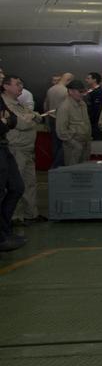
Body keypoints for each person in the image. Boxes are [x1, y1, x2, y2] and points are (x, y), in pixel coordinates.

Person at [1, 75, 42, 223]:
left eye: (21, 84)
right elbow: (22, 123)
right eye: (17, 84)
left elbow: (35, 117)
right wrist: (31, 119)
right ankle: (15, 217)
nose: (20, 87)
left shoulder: (17, 103)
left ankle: (30, 214)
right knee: (14, 186)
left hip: (27, 148)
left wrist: (30, 118)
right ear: (6, 86)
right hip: (16, 148)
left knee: (29, 182)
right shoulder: (5, 103)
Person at [0, 97, 29, 252]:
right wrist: (3, 122)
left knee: (17, 187)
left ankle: (5, 231)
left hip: (4, 146)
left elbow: (12, 119)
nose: (2, 75)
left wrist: (5, 121)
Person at [55, 80, 92, 167]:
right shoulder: (64, 107)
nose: (82, 94)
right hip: (73, 147)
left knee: (85, 170)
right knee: (73, 173)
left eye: (83, 91)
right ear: (70, 91)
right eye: (80, 92)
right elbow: (61, 131)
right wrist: (75, 144)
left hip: (85, 144)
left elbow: (86, 123)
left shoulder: (83, 104)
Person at [45, 73, 73, 168]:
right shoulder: (66, 91)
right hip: (62, 120)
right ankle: (57, 166)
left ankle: (55, 166)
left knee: (55, 145)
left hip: (52, 119)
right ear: (69, 80)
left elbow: (46, 106)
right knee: (64, 145)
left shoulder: (50, 89)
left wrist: (47, 122)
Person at [84, 72, 102, 149]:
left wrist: (90, 119)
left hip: (95, 122)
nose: (86, 80)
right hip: (91, 121)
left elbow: (97, 109)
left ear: (94, 80)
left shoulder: (98, 92)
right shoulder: (90, 90)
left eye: (88, 78)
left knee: (97, 142)